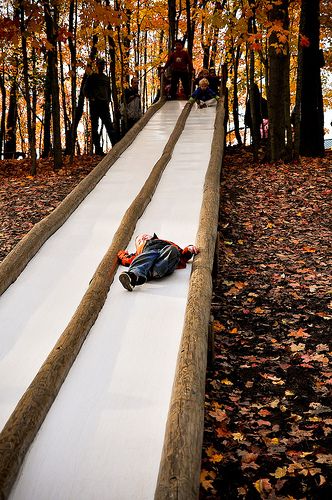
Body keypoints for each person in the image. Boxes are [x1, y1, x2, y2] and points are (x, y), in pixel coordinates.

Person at [117, 233, 199, 291]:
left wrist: (189, 249)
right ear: (138, 247)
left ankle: (152, 272)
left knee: (172, 249)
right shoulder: (140, 253)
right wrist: (122, 254)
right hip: (149, 262)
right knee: (147, 255)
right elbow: (127, 260)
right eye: (139, 241)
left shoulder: (166, 243)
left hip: (165, 262)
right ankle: (134, 276)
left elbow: (181, 255)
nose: (143, 238)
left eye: (145, 236)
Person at [84, 58, 118, 155]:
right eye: (100, 64)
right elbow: (85, 90)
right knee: (95, 127)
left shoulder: (106, 78)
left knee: (109, 126)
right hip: (95, 106)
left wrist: (108, 101)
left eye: (103, 64)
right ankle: (98, 150)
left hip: (104, 106)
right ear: (97, 65)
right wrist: (92, 98)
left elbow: (109, 91)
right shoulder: (92, 77)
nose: (102, 66)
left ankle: (116, 147)